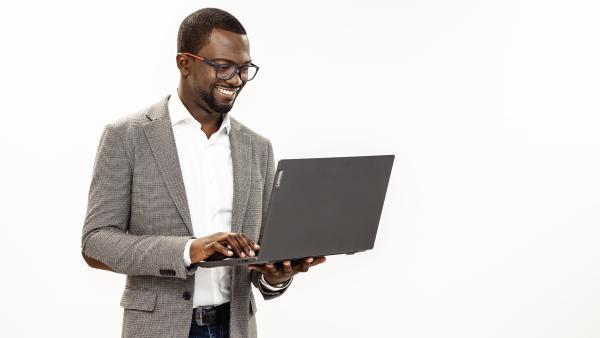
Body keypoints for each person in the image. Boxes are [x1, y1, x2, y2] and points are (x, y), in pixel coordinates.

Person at [81, 8, 325, 338]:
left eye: (244, 69)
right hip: (159, 328)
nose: (236, 80)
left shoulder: (258, 148)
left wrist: (277, 275)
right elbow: (96, 242)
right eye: (223, 67)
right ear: (185, 63)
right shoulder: (128, 136)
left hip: (235, 326)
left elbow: (260, 259)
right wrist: (189, 250)